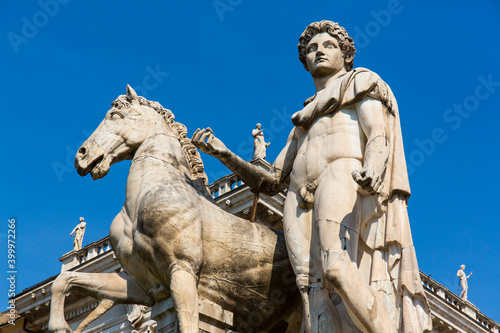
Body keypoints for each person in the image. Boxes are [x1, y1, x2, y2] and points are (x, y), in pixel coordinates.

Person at [192, 20, 431, 332]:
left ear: (346, 55)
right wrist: (225, 155)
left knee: (335, 267)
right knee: (309, 287)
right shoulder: (303, 120)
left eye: (328, 46)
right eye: (311, 49)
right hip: (298, 195)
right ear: (304, 61)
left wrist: (373, 167)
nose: (318, 52)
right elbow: (272, 179)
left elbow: (377, 136)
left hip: (341, 172)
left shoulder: (360, 83)